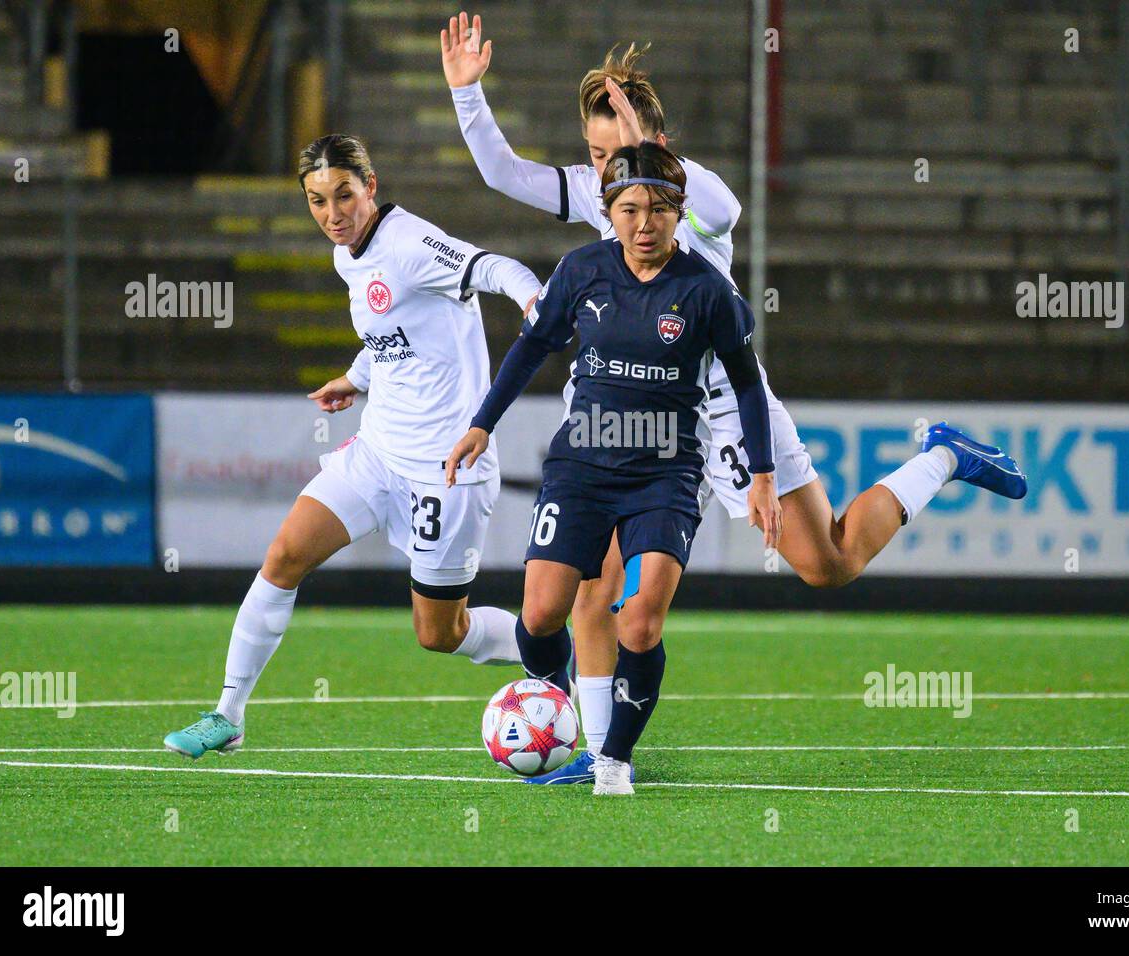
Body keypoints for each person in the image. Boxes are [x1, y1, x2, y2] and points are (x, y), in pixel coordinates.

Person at [441, 12, 1029, 784]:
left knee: (830, 563)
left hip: (720, 410)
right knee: (593, 594)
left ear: (656, 147)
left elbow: (724, 212)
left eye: (618, 149)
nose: (606, 168)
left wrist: (649, 150)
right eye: (594, 154)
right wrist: (467, 96)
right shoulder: (598, 195)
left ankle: (943, 458)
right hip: (630, 424)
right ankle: (595, 753)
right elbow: (503, 174)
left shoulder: (694, 198)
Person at [163, 134, 542, 758]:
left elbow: (495, 268)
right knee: (284, 556)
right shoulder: (350, 255)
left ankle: (566, 651)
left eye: (344, 195)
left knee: (440, 633)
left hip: (445, 470)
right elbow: (394, 329)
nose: (332, 214)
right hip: (378, 454)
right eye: (317, 201)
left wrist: (533, 299)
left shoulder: (410, 243)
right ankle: (228, 714)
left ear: (371, 185)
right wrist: (357, 377)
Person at [446, 143, 781, 794]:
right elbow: (531, 347)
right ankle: (558, 703)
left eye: (658, 209)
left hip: (667, 470)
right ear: (610, 210)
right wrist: (481, 425)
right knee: (541, 614)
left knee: (640, 619)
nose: (644, 222)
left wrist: (762, 473)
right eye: (629, 208)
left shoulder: (707, 292)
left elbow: (745, 385)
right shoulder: (582, 272)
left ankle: (615, 759)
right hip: (583, 463)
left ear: (678, 214)